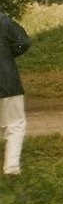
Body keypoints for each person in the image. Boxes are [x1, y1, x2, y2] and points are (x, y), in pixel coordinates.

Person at [1, 11, 31, 176]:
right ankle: (11, 168)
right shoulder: (3, 20)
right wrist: (9, 53)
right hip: (6, 80)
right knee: (14, 124)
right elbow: (23, 42)